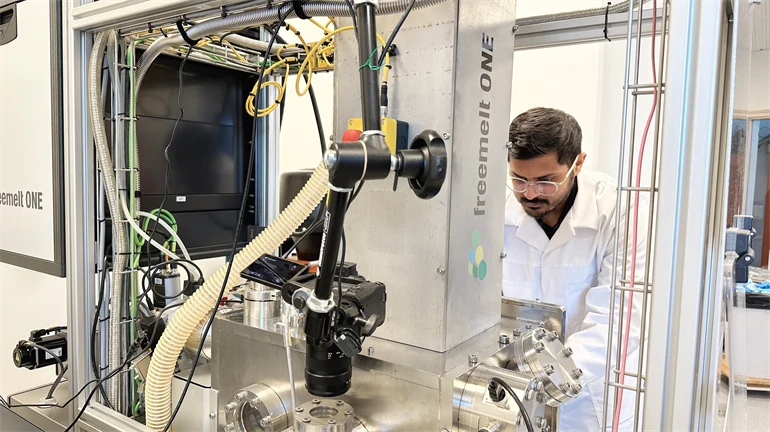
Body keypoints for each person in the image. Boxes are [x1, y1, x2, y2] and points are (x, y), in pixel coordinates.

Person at [503, 107, 646, 431]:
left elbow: (620, 318)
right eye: (519, 179)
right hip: (510, 390)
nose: (529, 193)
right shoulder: (496, 206)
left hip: (587, 398)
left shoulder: (618, 210)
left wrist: (551, 373)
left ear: (577, 164)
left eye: (545, 182)